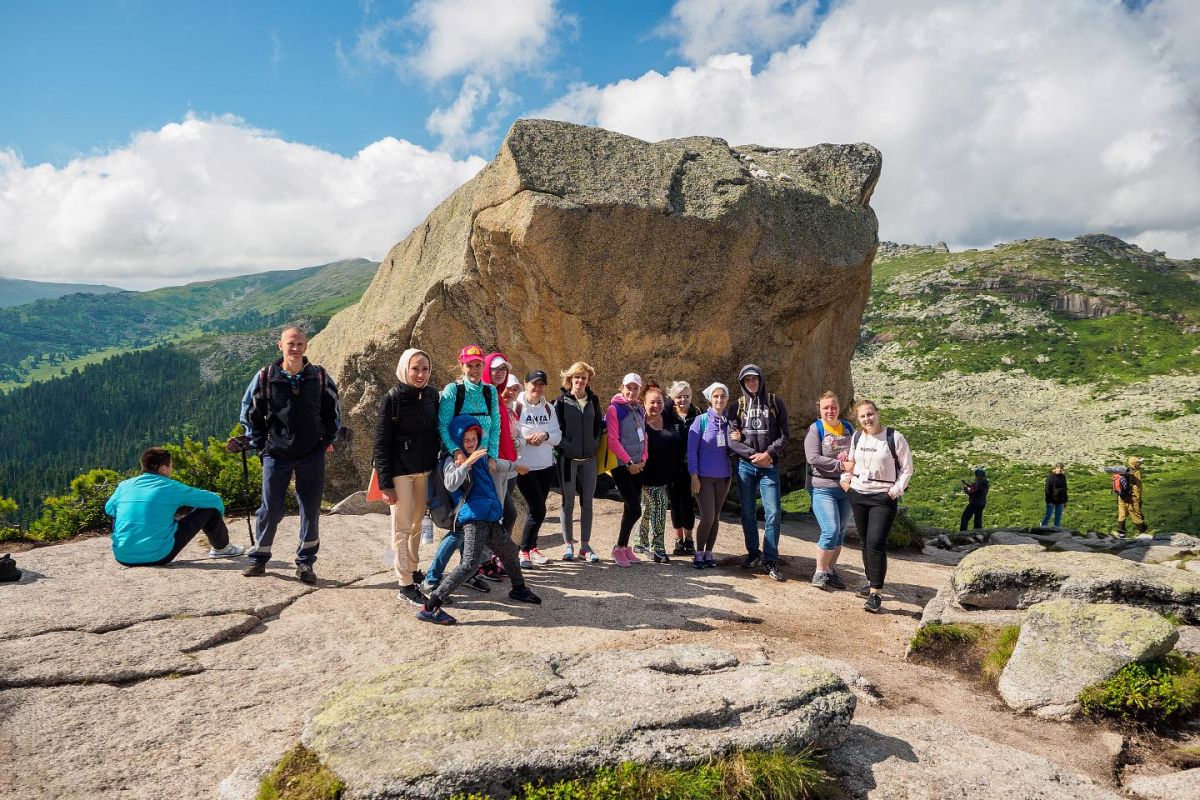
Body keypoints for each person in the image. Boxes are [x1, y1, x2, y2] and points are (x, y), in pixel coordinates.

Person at [239, 325, 340, 584]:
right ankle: (259, 557)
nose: (295, 348)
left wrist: (326, 440)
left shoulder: (318, 377)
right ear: (280, 345)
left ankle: (305, 563)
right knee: (271, 508)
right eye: (290, 344)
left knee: (310, 508)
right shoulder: (265, 377)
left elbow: (333, 411)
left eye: (299, 344)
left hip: (311, 452)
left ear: (306, 346)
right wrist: (260, 443)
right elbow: (249, 411)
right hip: (276, 452)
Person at [417, 415, 540, 625]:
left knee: (510, 552)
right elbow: (450, 483)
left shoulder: (480, 455)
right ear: (457, 441)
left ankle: (519, 589)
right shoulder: (452, 460)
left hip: (489, 516)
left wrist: (516, 467)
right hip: (474, 518)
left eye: (474, 438)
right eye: (466, 440)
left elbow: (495, 464)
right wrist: (467, 464)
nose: (471, 443)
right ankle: (430, 606)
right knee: (469, 564)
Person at [372, 348, 440, 606]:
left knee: (417, 525)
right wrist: (385, 484)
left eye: (425, 369)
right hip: (401, 473)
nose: (420, 374)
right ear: (404, 369)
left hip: (425, 470)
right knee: (401, 527)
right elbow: (381, 443)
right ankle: (404, 583)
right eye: (415, 369)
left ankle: (411, 570)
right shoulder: (392, 398)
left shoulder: (431, 395)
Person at [106, 447, 244, 566]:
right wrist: (219, 516)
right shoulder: (170, 486)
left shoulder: (124, 485)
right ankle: (222, 549)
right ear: (163, 468)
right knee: (210, 509)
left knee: (116, 512)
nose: (171, 469)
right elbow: (214, 500)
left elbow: (109, 509)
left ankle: (129, 544)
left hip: (123, 557)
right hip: (159, 556)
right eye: (171, 466)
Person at [841, 399, 913, 614]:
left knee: (875, 542)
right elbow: (850, 463)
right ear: (859, 420)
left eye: (870, 414)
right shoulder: (857, 437)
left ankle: (875, 593)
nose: (867, 419)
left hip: (882, 497)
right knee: (864, 541)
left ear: (877, 413)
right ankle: (871, 581)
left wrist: (894, 491)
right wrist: (846, 482)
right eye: (862, 416)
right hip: (858, 494)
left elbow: (907, 469)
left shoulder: (894, 437)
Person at [727, 364, 790, 582]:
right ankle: (753, 553)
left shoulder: (775, 402)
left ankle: (770, 559)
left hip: (769, 465)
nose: (751, 383)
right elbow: (732, 440)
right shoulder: (737, 406)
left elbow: (785, 435)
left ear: (761, 379)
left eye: (754, 379)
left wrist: (769, 453)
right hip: (747, 465)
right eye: (747, 380)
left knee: (773, 513)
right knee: (748, 511)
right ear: (742, 383)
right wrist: (754, 454)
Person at [804, 391, 854, 590]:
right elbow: (813, 458)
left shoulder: (848, 428)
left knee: (840, 531)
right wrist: (841, 466)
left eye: (833, 407)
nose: (830, 411)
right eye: (826, 407)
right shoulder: (815, 429)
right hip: (822, 487)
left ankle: (831, 570)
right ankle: (820, 571)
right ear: (820, 410)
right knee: (830, 529)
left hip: (846, 488)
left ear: (839, 408)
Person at [555, 361, 603, 563]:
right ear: (570, 379)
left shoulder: (594, 400)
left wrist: (594, 444)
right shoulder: (560, 402)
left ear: (588, 380)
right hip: (568, 460)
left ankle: (585, 546)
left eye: (584, 377)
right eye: (577, 377)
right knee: (568, 503)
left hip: (589, 459)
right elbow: (555, 429)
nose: (580, 381)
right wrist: (567, 446)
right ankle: (568, 545)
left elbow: (598, 426)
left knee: (588, 503)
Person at [515, 369, 562, 567]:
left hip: (546, 466)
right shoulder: (516, 407)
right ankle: (523, 550)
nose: (537, 388)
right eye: (534, 383)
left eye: (541, 384)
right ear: (526, 384)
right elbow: (510, 438)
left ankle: (532, 547)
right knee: (538, 509)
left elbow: (557, 436)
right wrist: (525, 440)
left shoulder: (549, 408)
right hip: (525, 466)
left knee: (537, 510)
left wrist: (545, 436)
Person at [688, 383, 733, 569]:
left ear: (727, 399)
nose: (719, 400)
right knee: (707, 516)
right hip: (704, 477)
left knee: (716, 517)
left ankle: (709, 552)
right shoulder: (701, 421)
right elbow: (691, 450)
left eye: (723, 396)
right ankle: (698, 552)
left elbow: (734, 449)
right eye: (716, 396)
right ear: (710, 399)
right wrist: (694, 475)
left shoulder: (731, 422)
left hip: (724, 477)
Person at [637, 386, 682, 562]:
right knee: (660, 505)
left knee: (648, 508)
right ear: (644, 403)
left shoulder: (668, 415)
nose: (656, 405)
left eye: (659, 402)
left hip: (665, 475)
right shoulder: (639, 421)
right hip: (645, 475)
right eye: (652, 402)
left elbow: (679, 397)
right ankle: (658, 548)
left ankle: (640, 541)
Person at [606, 373, 648, 567]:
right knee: (635, 509)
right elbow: (613, 440)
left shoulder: (639, 409)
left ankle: (624, 547)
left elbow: (644, 436)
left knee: (629, 508)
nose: (632, 391)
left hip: (638, 465)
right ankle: (618, 547)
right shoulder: (615, 409)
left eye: (636, 388)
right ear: (622, 388)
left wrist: (643, 460)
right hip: (622, 466)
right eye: (628, 388)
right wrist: (630, 462)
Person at [438, 345, 501, 460]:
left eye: (478, 365)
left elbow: (495, 427)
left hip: (483, 460)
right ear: (462, 366)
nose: (474, 370)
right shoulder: (453, 390)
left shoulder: (490, 391)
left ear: (484, 366)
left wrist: (493, 457)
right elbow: (443, 425)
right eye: (469, 366)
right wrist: (456, 451)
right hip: (458, 460)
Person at [664, 381, 699, 557]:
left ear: (692, 397)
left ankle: (689, 539)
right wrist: (672, 399)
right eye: (679, 397)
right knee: (675, 504)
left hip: (690, 468)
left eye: (687, 396)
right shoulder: (668, 415)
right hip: (672, 467)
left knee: (687, 503)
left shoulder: (697, 415)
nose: (683, 400)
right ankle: (678, 540)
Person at [1106, 456, 1147, 536]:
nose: (1140, 464)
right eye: (1138, 463)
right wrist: (1138, 500)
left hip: (1121, 497)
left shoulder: (1123, 471)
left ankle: (1121, 532)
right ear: (1134, 463)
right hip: (1131, 498)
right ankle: (1143, 533)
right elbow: (1137, 488)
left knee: (1122, 514)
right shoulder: (1136, 472)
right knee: (1136, 514)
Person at [1041, 463, 1068, 528]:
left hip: (1060, 499)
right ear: (1056, 468)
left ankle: (1057, 528)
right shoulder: (1050, 477)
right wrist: (1049, 501)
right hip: (1052, 499)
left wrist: (1065, 500)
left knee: (1058, 515)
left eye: (1062, 470)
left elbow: (1065, 488)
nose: (1061, 471)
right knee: (1049, 514)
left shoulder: (1062, 476)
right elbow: (1047, 489)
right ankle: (1043, 526)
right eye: (1060, 469)